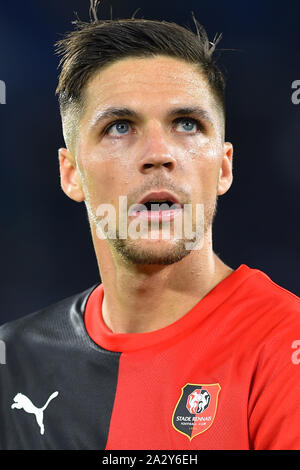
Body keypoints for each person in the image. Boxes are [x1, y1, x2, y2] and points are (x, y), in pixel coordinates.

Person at [1, 1, 300, 450]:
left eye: (187, 123)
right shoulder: (13, 361)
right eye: (120, 127)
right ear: (71, 174)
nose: (159, 153)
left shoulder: (284, 348)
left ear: (223, 167)